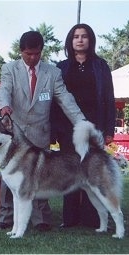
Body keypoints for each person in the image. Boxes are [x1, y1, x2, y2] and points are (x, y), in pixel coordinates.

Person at [0, 31, 86, 232]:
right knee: (9, 174)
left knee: (40, 175)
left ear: (41, 51)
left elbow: (65, 99)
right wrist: (3, 106)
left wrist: (81, 122)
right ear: (21, 52)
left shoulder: (52, 73)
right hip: (15, 135)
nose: (33, 58)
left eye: (36, 54)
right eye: (28, 54)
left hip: (40, 132)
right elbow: (4, 89)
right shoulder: (9, 69)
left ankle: (41, 219)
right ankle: (5, 215)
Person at [51, 23, 116, 229]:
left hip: (94, 128)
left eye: (84, 36)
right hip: (66, 129)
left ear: (91, 40)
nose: (80, 40)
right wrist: (54, 130)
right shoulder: (61, 67)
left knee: (92, 170)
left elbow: (109, 99)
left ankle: (92, 218)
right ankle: (69, 218)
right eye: (76, 37)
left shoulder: (100, 66)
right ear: (70, 42)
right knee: (70, 171)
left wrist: (108, 130)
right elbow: (54, 102)